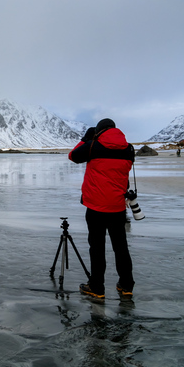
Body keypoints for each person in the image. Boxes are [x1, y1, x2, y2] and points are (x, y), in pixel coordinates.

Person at [68, 118, 135, 299]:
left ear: (98, 131)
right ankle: (126, 286)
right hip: (117, 206)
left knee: (97, 247)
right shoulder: (129, 149)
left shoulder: (93, 146)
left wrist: (86, 139)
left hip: (96, 206)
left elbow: (73, 156)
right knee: (121, 247)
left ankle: (97, 287)